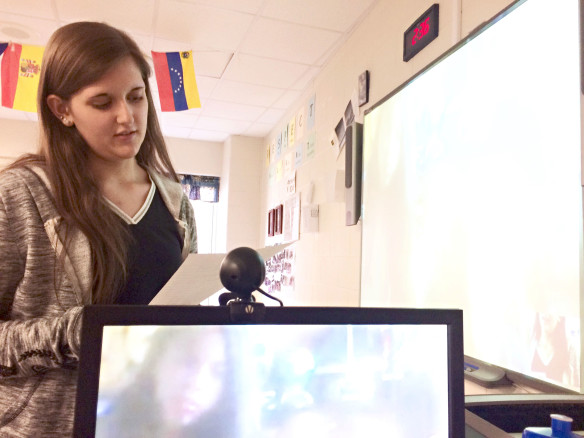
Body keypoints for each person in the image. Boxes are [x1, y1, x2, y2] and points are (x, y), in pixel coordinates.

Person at [0, 21, 197, 437]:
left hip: (146, 421)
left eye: (136, 97)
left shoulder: (176, 203)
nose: (126, 117)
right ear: (62, 110)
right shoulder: (18, 195)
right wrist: (77, 331)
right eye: (103, 102)